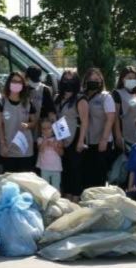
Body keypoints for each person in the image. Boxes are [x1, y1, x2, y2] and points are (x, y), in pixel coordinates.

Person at [54, 70, 88, 201]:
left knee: (76, 169)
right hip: (61, 136)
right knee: (65, 168)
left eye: (71, 80)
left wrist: (80, 141)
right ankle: (66, 195)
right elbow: (56, 117)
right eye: (65, 80)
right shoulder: (57, 97)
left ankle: (76, 197)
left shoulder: (80, 98)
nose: (68, 83)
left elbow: (85, 121)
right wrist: (58, 138)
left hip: (76, 136)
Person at [0, 71, 37, 172]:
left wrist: (27, 125)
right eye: (14, 81)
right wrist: (2, 144)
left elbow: (35, 122)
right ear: (9, 83)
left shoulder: (28, 102)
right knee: (9, 181)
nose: (16, 84)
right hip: (8, 149)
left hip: (25, 149)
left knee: (24, 181)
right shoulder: (1, 102)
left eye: (19, 82)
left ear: (23, 85)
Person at [82, 68, 116, 189]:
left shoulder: (106, 97)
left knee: (99, 175)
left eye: (96, 79)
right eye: (90, 79)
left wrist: (104, 139)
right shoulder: (82, 96)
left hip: (101, 141)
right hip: (86, 142)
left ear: (101, 81)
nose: (93, 81)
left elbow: (110, 118)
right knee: (87, 175)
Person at [112, 66, 136, 149]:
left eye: (134, 78)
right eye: (129, 78)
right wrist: (118, 135)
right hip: (127, 137)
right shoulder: (117, 93)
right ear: (122, 79)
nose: (132, 80)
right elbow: (115, 117)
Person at [36, 118, 63, 190]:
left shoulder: (58, 139)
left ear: (53, 129)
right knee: (45, 187)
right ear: (41, 130)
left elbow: (61, 153)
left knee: (56, 187)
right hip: (44, 168)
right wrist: (45, 140)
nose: (46, 130)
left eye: (49, 128)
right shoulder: (40, 139)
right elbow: (40, 150)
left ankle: (55, 200)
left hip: (56, 168)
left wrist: (55, 146)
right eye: (43, 129)